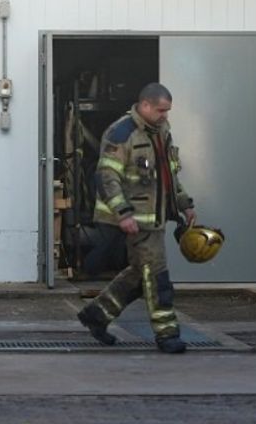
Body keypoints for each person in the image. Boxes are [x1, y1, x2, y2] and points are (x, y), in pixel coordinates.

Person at [77, 82, 197, 354]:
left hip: (153, 221)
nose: (165, 115)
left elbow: (169, 175)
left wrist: (185, 204)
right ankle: (167, 335)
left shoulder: (162, 132)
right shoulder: (121, 133)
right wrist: (123, 214)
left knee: (137, 274)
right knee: (157, 277)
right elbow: (106, 177)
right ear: (144, 106)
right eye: (160, 110)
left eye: (167, 111)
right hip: (134, 221)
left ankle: (96, 316)